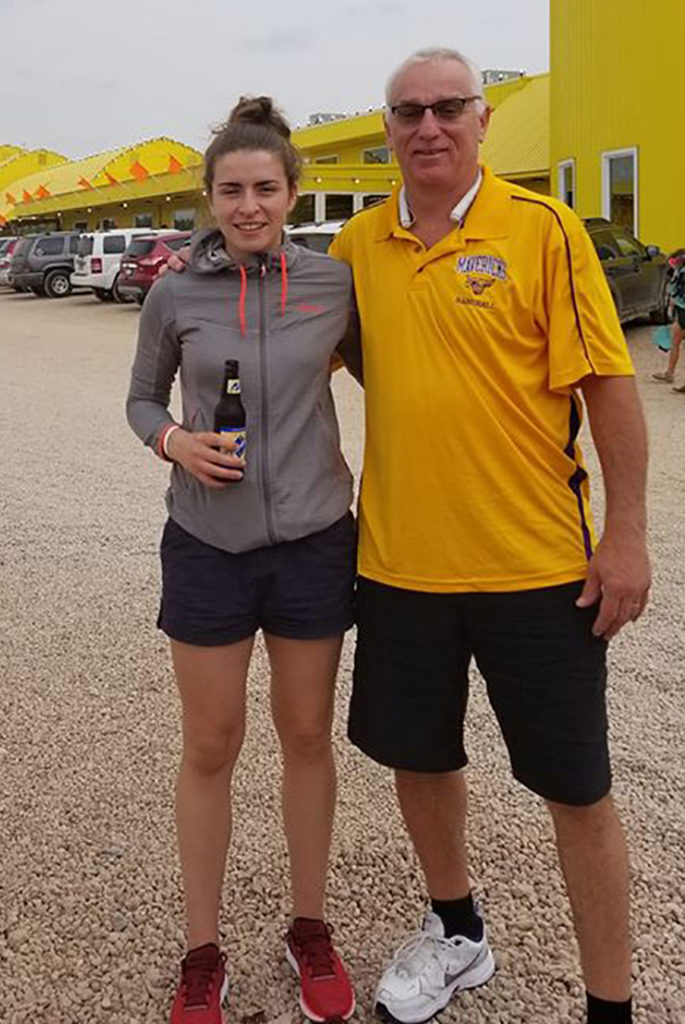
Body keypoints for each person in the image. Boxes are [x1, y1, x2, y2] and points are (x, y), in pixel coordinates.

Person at [327, 48, 650, 1024]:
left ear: (482, 121)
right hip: (398, 569)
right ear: (388, 130)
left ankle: (612, 1004)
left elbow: (609, 389)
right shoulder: (355, 248)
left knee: (578, 789)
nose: (428, 126)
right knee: (419, 759)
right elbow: (309, 355)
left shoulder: (543, 229)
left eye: (448, 108)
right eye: (408, 112)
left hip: (538, 569)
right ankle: (457, 932)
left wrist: (626, 534)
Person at [126, 96, 359, 1024]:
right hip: (207, 547)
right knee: (211, 743)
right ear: (210, 197)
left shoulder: (335, 285)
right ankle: (202, 949)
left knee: (306, 736)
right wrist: (174, 442)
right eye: (232, 189)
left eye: (266, 187)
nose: (249, 204)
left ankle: (309, 926)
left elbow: (396, 369)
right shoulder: (174, 290)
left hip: (311, 542)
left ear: (294, 193)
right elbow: (142, 400)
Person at [652, 249, 685, 390]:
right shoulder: (679, 271)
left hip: (684, 311)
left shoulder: (682, 272)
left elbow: (677, 291)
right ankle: (670, 373)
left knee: (675, 341)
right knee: (675, 341)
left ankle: (670, 373)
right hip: (681, 310)